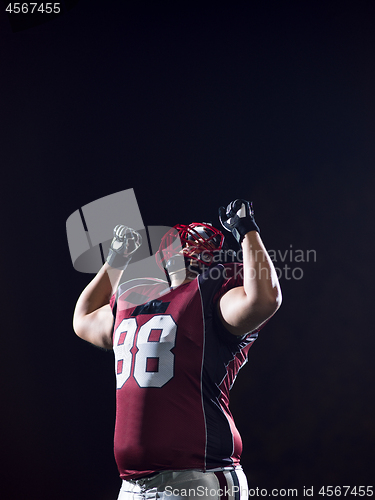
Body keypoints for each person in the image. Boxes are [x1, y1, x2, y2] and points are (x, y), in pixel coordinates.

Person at [73, 199, 282, 500]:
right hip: (132, 485)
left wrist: (247, 229)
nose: (194, 252)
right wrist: (117, 259)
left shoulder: (212, 296)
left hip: (197, 476)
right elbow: (83, 319)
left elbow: (264, 300)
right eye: (188, 245)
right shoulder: (133, 303)